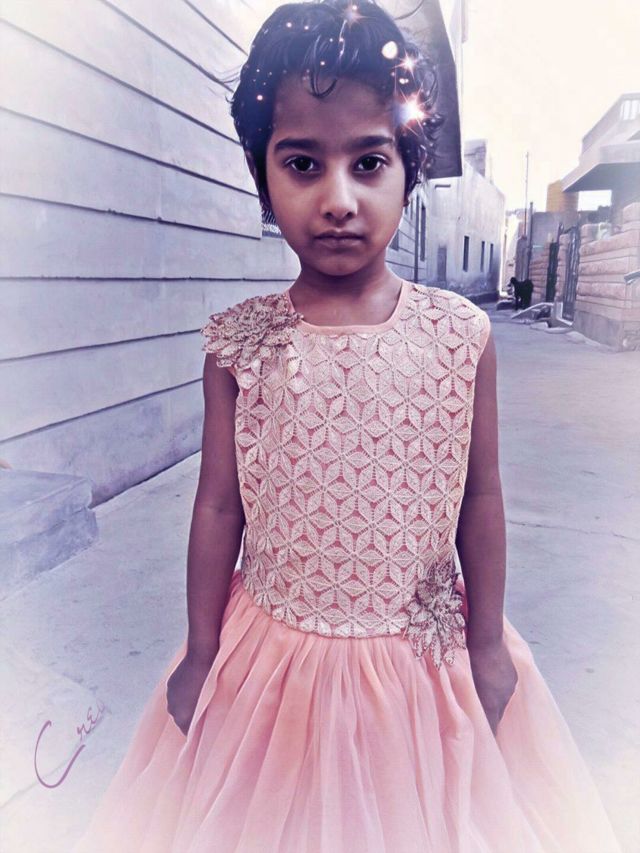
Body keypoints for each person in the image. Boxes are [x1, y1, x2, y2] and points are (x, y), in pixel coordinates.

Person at [72, 2, 622, 851]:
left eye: (369, 162)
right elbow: (219, 506)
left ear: (410, 169)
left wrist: (485, 644)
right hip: (271, 667)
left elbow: (479, 496)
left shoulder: (459, 337)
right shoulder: (239, 346)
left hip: (421, 669)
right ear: (262, 177)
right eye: (302, 163)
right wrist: (200, 650)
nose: (338, 199)